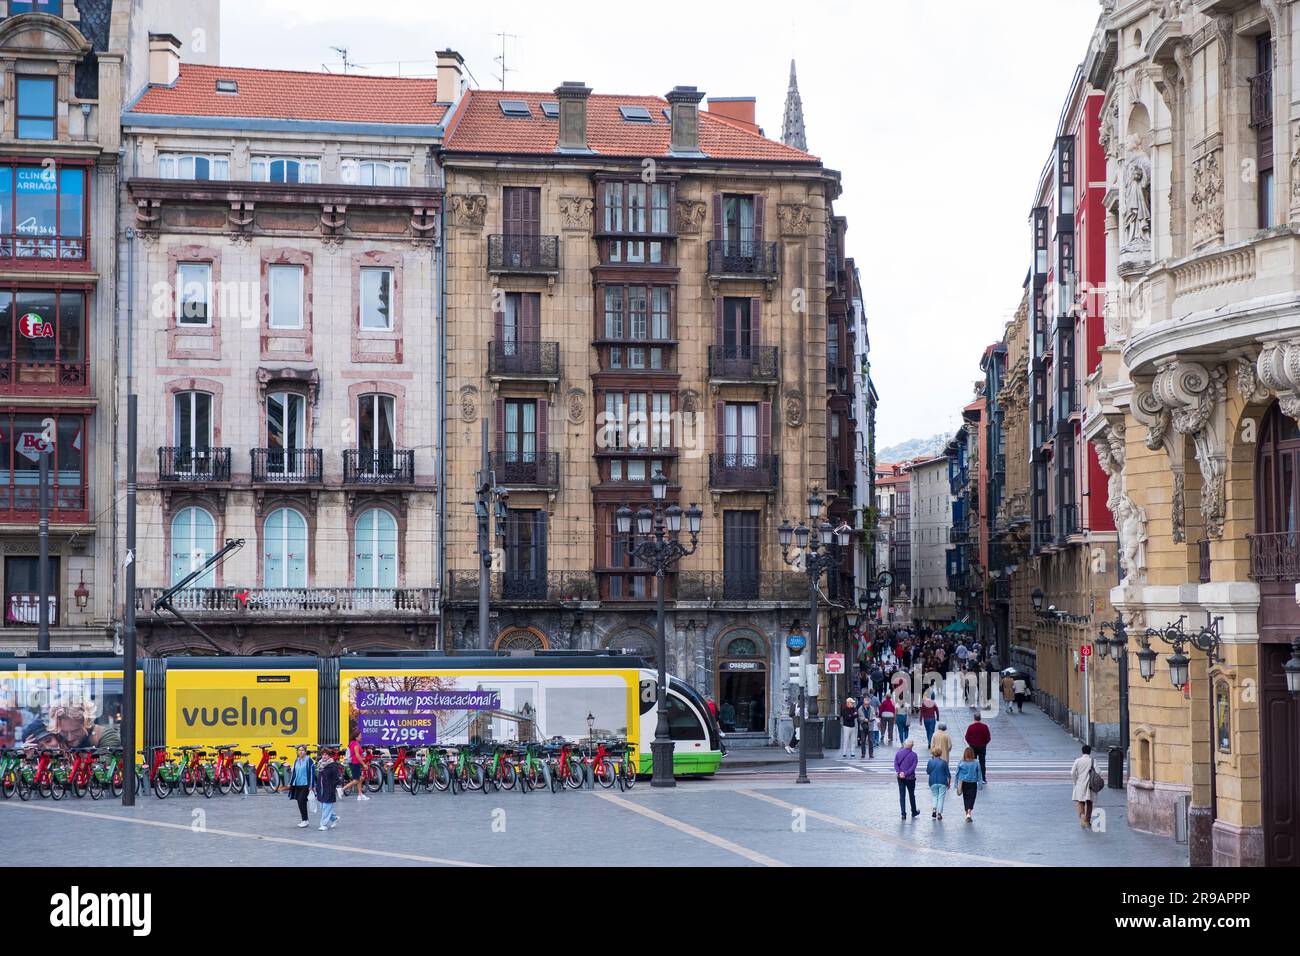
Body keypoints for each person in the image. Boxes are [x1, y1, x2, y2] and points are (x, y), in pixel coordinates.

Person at [315, 750, 345, 831]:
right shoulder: (320, 765)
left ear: (329, 756)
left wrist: (335, 787)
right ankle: (334, 818)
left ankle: (323, 824)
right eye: (323, 755)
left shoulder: (332, 766)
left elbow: (336, 778)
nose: (324, 756)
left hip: (329, 789)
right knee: (322, 807)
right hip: (321, 789)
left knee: (326, 807)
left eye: (326, 755)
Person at [288, 744, 315, 828]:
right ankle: (305, 820)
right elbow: (294, 773)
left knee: (301, 801)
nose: (301, 751)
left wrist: (311, 785)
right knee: (300, 802)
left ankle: (305, 820)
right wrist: (290, 782)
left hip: (305, 784)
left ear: (305, 751)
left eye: (302, 750)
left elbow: (312, 773)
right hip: (297, 784)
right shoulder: (296, 760)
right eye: (299, 750)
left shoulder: (309, 760)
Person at [1071, 744, 1098, 829]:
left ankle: (1082, 815)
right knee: (1089, 803)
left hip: (1080, 784)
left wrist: (1075, 781)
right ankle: (1087, 820)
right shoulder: (1092, 761)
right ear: (1090, 752)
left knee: (1080, 802)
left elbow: (1072, 773)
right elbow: (1099, 772)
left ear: (1082, 752)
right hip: (1090, 785)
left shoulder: (1078, 760)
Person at [893, 739, 920, 820]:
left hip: (900, 778)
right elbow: (913, 767)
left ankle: (903, 814)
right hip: (910, 778)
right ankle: (914, 811)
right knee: (911, 795)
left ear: (905, 745)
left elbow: (895, 764)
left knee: (902, 795)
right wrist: (906, 773)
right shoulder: (914, 755)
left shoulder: (898, 753)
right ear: (912, 746)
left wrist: (899, 772)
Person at [954, 747, 981, 821]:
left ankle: (967, 814)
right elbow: (979, 774)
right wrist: (980, 784)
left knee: (965, 798)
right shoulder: (976, 762)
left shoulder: (961, 762)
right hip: (973, 782)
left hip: (964, 782)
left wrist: (956, 784)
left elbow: (957, 773)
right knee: (972, 797)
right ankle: (969, 811)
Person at [964, 713, 991, 784]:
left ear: (974, 718)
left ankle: (974, 777)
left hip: (973, 747)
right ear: (980, 718)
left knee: (973, 762)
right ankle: (983, 778)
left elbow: (967, 737)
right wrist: (984, 743)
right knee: (982, 762)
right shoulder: (985, 727)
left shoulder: (971, 727)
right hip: (982, 747)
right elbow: (988, 737)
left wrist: (970, 744)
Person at [342, 734, 370, 801]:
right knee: (356, 780)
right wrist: (364, 764)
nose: (361, 737)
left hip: (354, 763)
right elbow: (357, 756)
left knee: (359, 779)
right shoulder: (356, 744)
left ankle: (360, 795)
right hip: (355, 763)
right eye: (360, 736)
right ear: (356, 737)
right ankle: (342, 789)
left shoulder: (352, 743)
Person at [926, 746, 951, 820]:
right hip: (942, 781)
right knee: (941, 797)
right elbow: (948, 774)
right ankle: (939, 813)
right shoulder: (944, 762)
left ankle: (934, 809)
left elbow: (928, 772)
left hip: (933, 781)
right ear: (940, 753)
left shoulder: (930, 762)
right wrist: (949, 783)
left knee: (934, 796)